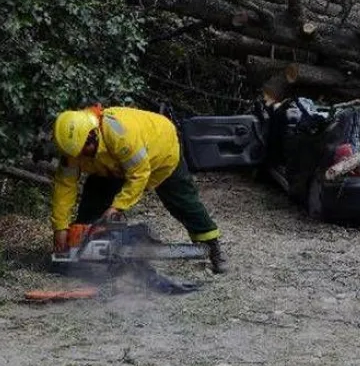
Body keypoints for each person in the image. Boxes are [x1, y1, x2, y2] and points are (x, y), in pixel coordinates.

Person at [51, 104, 228, 274]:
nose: (81, 157)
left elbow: (139, 174)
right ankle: (84, 252)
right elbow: (65, 187)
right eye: (77, 154)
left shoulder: (120, 134)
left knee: (183, 201)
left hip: (161, 151)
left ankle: (212, 247)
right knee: (93, 197)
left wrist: (117, 207)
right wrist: (60, 228)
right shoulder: (73, 149)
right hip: (112, 166)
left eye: (84, 151)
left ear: (93, 134)